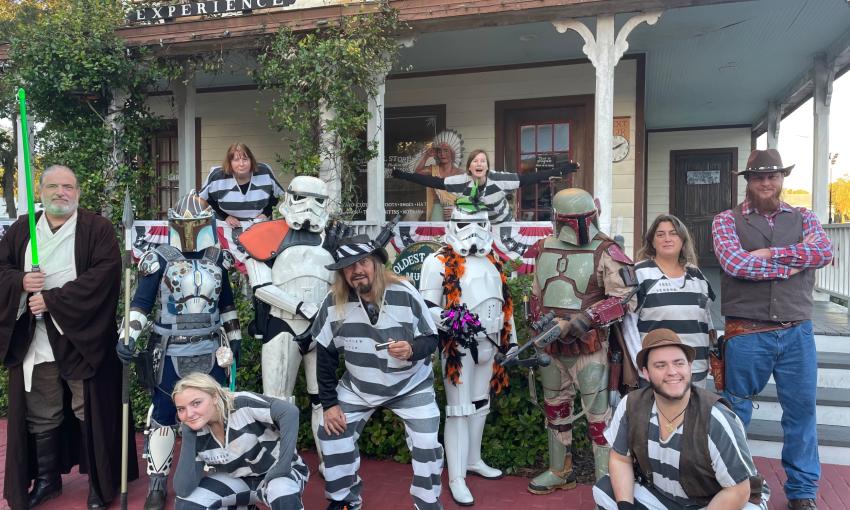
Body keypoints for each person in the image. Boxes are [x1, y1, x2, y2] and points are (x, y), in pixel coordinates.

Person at [0, 165, 138, 510]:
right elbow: (1, 268)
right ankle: (47, 481)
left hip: (81, 335)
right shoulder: (22, 229)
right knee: (41, 409)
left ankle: (98, 484)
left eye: (68, 187)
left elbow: (104, 276)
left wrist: (53, 299)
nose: (61, 192)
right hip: (36, 334)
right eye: (53, 186)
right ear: (40, 192)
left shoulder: (97, 229)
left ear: (77, 192)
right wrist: (20, 282)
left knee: (86, 406)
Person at [711, 149, 832, 510]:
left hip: (798, 331)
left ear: (781, 179)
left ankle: (802, 492)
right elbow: (735, 265)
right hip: (747, 332)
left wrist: (767, 255)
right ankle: (737, 484)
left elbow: (824, 252)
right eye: (759, 177)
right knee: (736, 413)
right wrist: (793, 262)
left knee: (801, 413)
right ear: (748, 181)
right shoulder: (725, 220)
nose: (766, 182)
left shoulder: (805, 216)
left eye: (773, 176)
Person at [115, 191, 242, 510]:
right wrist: (127, 335)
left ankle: (214, 474)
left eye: (196, 224)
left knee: (214, 413)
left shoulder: (218, 258)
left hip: (211, 347)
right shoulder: (158, 258)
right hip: (169, 350)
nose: (190, 231)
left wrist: (235, 338)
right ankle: (157, 483)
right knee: (164, 413)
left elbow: (226, 305)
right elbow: (142, 303)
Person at [312, 228, 444, 510]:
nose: (357, 270)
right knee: (332, 432)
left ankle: (428, 502)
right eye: (349, 266)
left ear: (376, 264)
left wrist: (411, 350)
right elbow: (325, 355)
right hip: (359, 387)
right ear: (342, 273)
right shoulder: (333, 303)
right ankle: (344, 500)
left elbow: (431, 339)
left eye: (363, 262)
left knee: (427, 442)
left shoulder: (405, 291)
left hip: (411, 384)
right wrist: (329, 404)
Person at [528, 187, 635, 494]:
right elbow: (536, 293)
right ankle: (559, 470)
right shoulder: (544, 248)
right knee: (555, 409)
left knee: (599, 416)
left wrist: (586, 319)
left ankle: (606, 479)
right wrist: (537, 322)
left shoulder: (606, 250)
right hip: (551, 345)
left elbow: (627, 297)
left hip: (590, 347)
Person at [593, 328, 767, 510]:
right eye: (660, 365)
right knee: (605, 490)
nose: (672, 372)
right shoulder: (632, 405)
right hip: (665, 497)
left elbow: (738, 490)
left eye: (679, 363)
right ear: (646, 373)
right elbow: (621, 459)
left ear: (689, 367)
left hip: (716, 501)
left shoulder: (715, 418)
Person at [419, 208, 518, 506]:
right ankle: (456, 476)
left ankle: (473, 459)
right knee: (459, 409)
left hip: (491, 343)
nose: (473, 230)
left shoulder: (491, 261)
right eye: (465, 223)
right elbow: (426, 306)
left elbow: (505, 302)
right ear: (452, 224)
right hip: (458, 346)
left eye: (480, 223)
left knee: (480, 403)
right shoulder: (437, 261)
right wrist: (454, 321)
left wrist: (511, 340)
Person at [241, 175, 335, 473]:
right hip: (282, 324)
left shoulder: (331, 238)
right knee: (278, 400)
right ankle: (280, 460)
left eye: (318, 200)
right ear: (289, 199)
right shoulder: (266, 234)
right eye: (302, 198)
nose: (310, 207)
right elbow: (260, 286)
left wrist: (325, 309)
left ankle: (327, 459)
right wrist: (299, 306)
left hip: (321, 326)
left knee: (323, 398)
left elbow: (343, 281)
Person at [172, 372, 309, 510]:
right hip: (238, 481)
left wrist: (283, 466)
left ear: (214, 396)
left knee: (282, 491)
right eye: (181, 409)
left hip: (277, 473)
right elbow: (183, 489)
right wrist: (188, 435)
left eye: (196, 403)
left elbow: (289, 412)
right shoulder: (195, 429)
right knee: (187, 504)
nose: (189, 414)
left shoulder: (241, 403)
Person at [622, 214, 716, 387]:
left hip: (695, 368)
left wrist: (711, 352)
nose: (667, 239)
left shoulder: (697, 274)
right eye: (660, 234)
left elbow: (706, 317)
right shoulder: (639, 273)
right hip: (656, 371)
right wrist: (640, 364)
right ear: (652, 241)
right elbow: (628, 324)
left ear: (682, 240)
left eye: (673, 233)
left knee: (694, 414)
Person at [393, 148, 578, 224]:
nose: (479, 164)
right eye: (475, 161)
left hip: (505, 227)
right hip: (481, 228)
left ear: (487, 166)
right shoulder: (461, 181)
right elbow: (432, 182)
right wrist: (403, 175)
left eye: (482, 161)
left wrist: (564, 169)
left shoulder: (499, 179)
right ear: (470, 167)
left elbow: (534, 177)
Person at [199, 142, 285, 228]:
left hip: (259, 225)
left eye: (245, 159)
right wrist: (225, 217)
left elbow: (276, 195)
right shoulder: (217, 176)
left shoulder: (265, 172)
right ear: (229, 162)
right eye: (236, 160)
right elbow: (206, 199)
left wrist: (265, 214)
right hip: (227, 226)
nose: (241, 164)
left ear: (251, 160)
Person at [409, 129, 465, 220]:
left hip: (456, 209)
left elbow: (468, 197)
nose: (442, 154)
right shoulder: (433, 169)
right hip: (437, 208)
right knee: (436, 233)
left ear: (452, 153)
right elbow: (417, 173)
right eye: (439, 151)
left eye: (446, 150)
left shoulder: (461, 173)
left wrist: (456, 210)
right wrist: (426, 155)